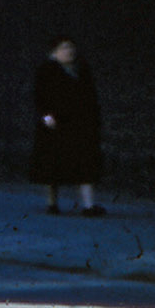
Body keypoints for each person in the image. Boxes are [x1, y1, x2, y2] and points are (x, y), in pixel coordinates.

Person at [31, 38, 103, 218]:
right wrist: (46, 115)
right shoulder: (47, 70)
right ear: (54, 52)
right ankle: (52, 203)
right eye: (64, 48)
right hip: (56, 124)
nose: (69, 51)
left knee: (85, 163)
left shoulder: (81, 70)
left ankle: (88, 205)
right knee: (53, 164)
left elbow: (90, 96)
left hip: (79, 124)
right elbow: (40, 94)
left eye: (71, 47)